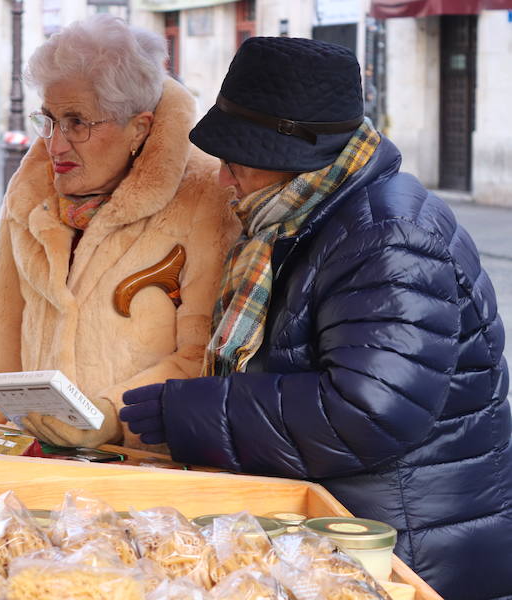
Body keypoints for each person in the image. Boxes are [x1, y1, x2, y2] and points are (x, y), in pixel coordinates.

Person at [119, 37, 511, 599]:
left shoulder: (388, 237)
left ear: (294, 157)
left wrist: (191, 410)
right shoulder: (315, 215)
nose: (225, 180)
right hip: (362, 528)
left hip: (410, 551)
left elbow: (369, 410)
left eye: (237, 161)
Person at [0, 15, 240, 450]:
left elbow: (206, 360)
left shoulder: (205, 197)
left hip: (145, 471)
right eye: (50, 120)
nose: (55, 145)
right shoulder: (28, 194)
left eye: (78, 122)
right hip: (37, 459)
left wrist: (110, 415)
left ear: (139, 127)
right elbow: (1, 340)